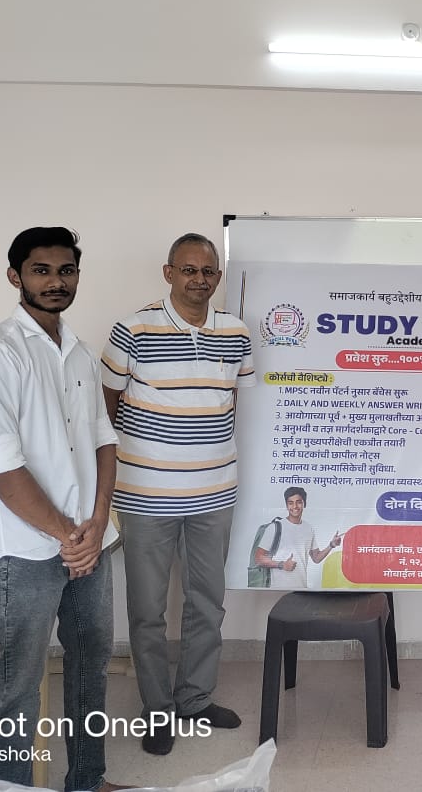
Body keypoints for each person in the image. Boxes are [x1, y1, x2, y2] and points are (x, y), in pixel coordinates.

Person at [0, 227, 128, 792]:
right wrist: (69, 535)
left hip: (88, 542)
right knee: (20, 681)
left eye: (66, 271)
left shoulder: (79, 353)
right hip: (26, 549)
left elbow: (104, 440)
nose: (56, 282)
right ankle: (13, 786)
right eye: (41, 270)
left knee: (89, 665)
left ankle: (88, 781)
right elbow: (1, 467)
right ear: (15, 276)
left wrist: (97, 523)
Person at [101, 233, 255, 756]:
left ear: (218, 277)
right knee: (147, 611)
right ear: (168, 273)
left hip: (214, 494)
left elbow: (230, 402)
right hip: (145, 496)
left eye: (208, 271)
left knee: (207, 603)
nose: (199, 279)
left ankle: (194, 698)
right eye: (188, 270)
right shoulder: (133, 329)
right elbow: (107, 407)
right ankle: (157, 709)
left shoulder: (236, 333)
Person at [253, 487, 342, 589]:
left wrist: (332, 545)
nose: (295, 506)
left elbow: (316, 558)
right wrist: (282, 565)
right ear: (287, 505)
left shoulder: (308, 528)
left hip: (301, 589)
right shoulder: (275, 527)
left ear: (304, 503)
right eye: (290, 503)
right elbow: (258, 558)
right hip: (278, 589)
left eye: (298, 502)